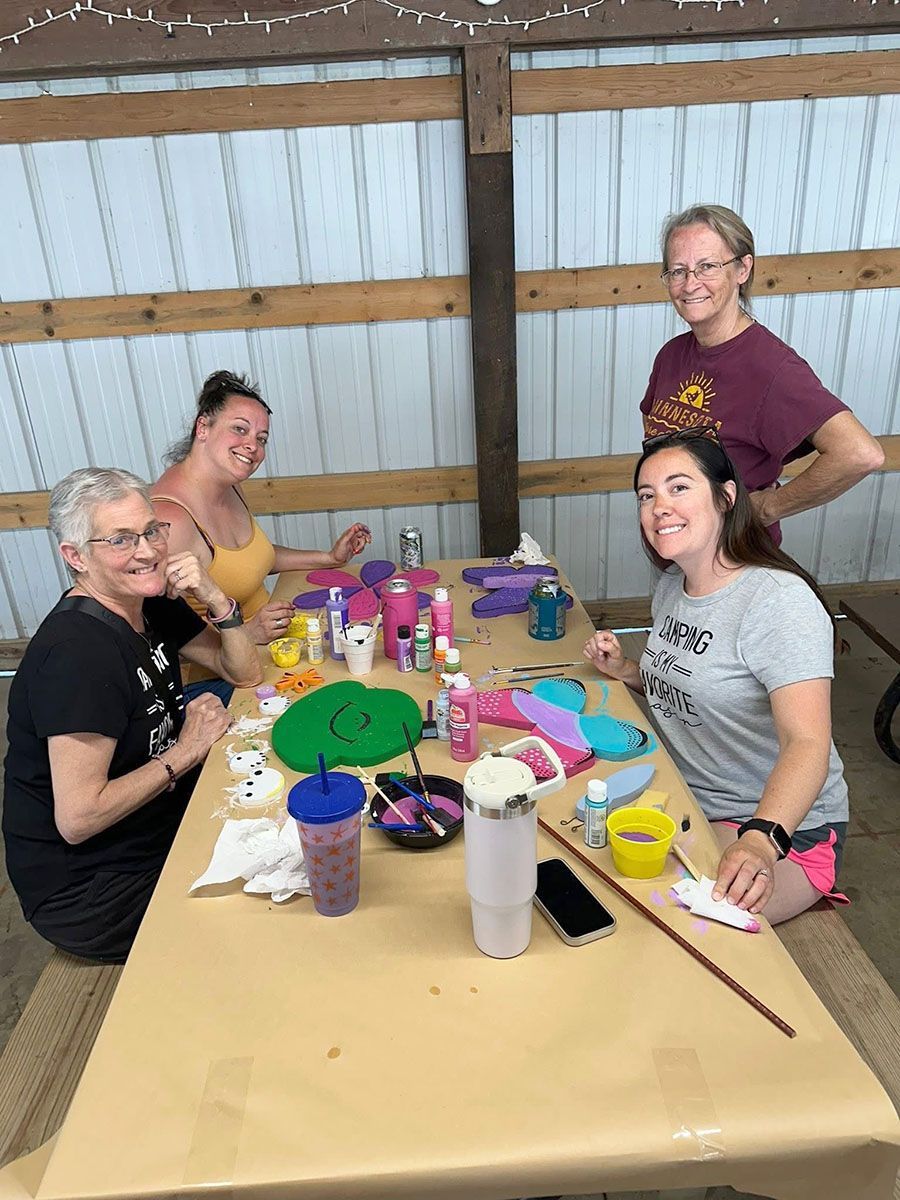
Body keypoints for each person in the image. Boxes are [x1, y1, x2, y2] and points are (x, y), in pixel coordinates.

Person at [583, 430, 849, 924]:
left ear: (727, 497)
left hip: (779, 826)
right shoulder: (673, 585)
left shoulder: (777, 602)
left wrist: (762, 840)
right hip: (689, 797)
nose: (659, 506)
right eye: (647, 496)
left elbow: (807, 742)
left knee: (672, 923)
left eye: (678, 487)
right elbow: (692, 681)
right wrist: (624, 670)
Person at [2, 468, 262, 962]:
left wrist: (214, 598)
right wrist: (187, 750)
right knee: (268, 907)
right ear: (75, 557)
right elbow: (78, 818)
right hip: (90, 891)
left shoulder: (147, 600)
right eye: (120, 539)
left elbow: (244, 672)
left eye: (151, 530)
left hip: (146, 826)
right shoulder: (78, 653)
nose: (147, 551)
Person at [640, 204, 884, 545]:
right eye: (678, 270)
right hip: (681, 556)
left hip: (737, 561)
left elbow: (859, 453)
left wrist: (766, 507)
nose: (690, 283)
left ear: (742, 268)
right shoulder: (672, 355)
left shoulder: (771, 368)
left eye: (707, 266)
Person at [152, 370, 371, 701]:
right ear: (203, 427)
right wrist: (244, 632)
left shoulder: (230, 484)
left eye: (262, 438)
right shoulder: (170, 519)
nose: (252, 446)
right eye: (239, 429)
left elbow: (253, 559)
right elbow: (157, 632)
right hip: (214, 684)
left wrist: (329, 558)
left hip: (267, 653)